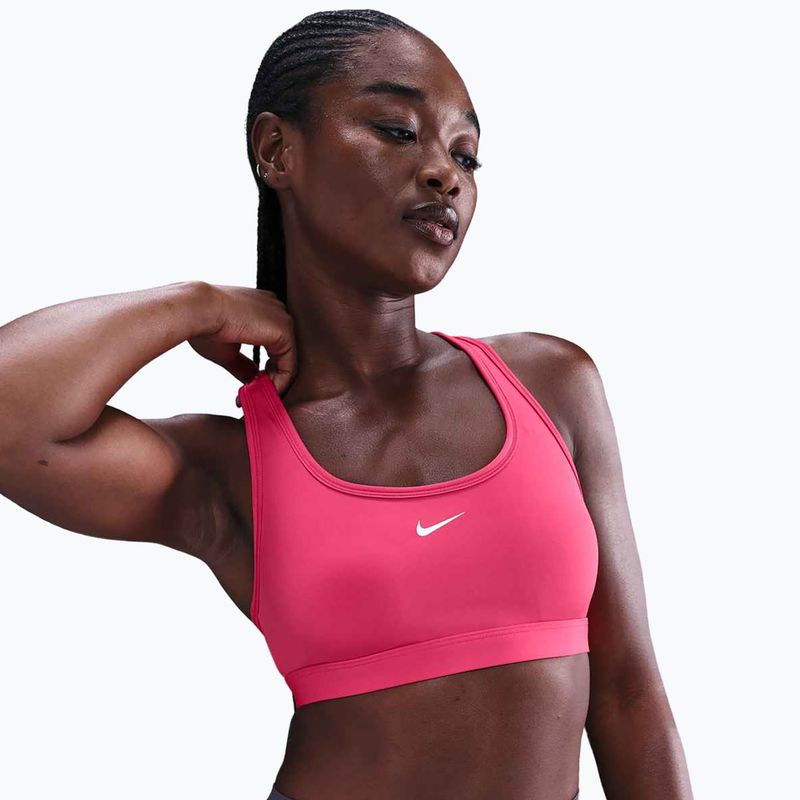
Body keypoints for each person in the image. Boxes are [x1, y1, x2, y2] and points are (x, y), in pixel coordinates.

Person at [0, 9, 693, 800]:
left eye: (465, 153)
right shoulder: (233, 467)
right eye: (398, 130)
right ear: (276, 150)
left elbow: (629, 694)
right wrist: (192, 304)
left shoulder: (551, 383)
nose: (445, 174)